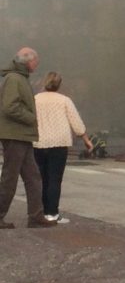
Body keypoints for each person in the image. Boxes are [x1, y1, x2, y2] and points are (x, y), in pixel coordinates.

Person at [0, 47, 57, 228]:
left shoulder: (20, 78)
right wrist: (31, 117)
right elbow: (10, 107)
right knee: (10, 177)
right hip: (14, 134)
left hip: (22, 135)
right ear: (27, 61)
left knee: (33, 177)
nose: (37, 64)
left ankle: (35, 216)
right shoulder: (14, 79)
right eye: (35, 61)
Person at [32, 72, 93, 224]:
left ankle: (39, 212)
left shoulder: (35, 100)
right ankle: (52, 213)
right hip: (59, 144)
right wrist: (86, 139)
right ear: (59, 85)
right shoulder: (65, 100)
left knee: (40, 179)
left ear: (43, 83)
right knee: (54, 179)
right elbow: (76, 122)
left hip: (38, 143)